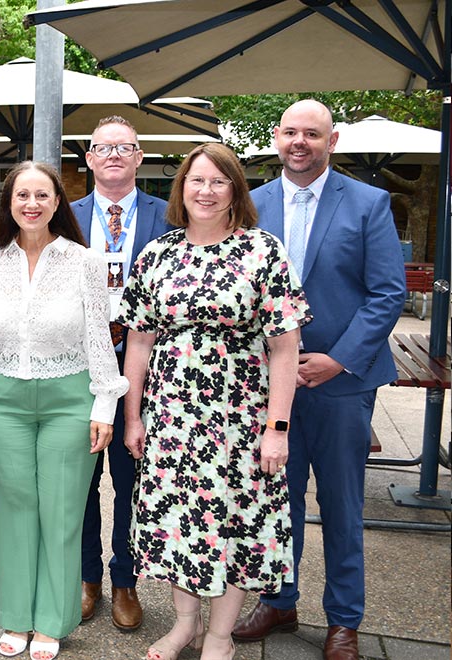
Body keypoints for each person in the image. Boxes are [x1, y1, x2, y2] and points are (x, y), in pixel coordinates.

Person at [118, 143, 310, 660]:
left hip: (239, 420)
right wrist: (133, 416)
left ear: (235, 191)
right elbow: (138, 340)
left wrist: (278, 427)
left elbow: (285, 348)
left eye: (218, 182)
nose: (206, 191)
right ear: (181, 188)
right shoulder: (157, 254)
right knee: (179, 523)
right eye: (196, 181)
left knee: (234, 524)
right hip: (171, 422)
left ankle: (220, 637)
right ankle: (184, 624)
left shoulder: (263, 251)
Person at [232, 100, 406, 660]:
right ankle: (280, 601)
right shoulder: (250, 206)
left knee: (340, 502)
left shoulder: (369, 202)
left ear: (333, 140)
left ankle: (344, 620)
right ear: (276, 139)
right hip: (265, 384)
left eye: (312, 133)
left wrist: (338, 358)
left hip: (341, 381)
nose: (299, 142)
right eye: (289, 132)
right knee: (274, 501)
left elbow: (387, 293)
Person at [0, 161, 128, 660]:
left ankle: (52, 620)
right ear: (8, 202)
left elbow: (100, 337)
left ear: (58, 202)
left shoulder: (85, 261)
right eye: (21, 195)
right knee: (13, 507)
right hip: (0, 399)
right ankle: (16, 616)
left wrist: (105, 405)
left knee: (61, 510)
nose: (31, 204)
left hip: (69, 397)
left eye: (42, 196)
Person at [71, 116, 170, 633]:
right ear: (88, 159)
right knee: (83, 481)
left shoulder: (168, 215)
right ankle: (87, 578)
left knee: (132, 481)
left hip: (146, 371)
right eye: (102, 148)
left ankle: (125, 579)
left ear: (138, 157)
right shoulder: (64, 216)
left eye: (124, 148)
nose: (113, 155)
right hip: (80, 371)